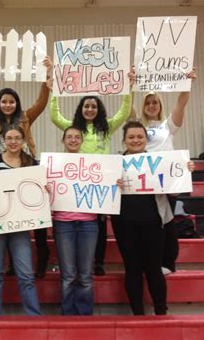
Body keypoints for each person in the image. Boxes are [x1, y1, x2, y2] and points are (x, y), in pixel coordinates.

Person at [0, 59, 53, 278]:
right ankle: (13, 264)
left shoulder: (25, 117)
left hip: (25, 167)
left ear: (16, 103)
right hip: (1, 172)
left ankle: (42, 256)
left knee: (36, 215)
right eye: (4, 101)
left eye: (11, 101)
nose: (8, 105)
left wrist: (47, 78)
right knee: (7, 218)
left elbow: (40, 103)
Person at [49, 72, 134, 276]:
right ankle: (73, 261)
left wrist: (128, 89)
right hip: (75, 182)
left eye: (94, 106)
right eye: (86, 106)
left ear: (99, 110)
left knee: (99, 223)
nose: (90, 109)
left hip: (99, 183)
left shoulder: (107, 128)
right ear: (81, 109)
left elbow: (123, 113)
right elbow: (54, 116)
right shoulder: (73, 128)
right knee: (76, 223)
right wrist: (53, 91)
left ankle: (98, 261)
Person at [112, 121, 194, 315]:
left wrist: (186, 171)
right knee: (132, 268)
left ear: (146, 140)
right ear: (124, 140)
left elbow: (175, 192)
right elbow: (102, 194)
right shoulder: (114, 164)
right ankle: (138, 312)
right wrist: (112, 185)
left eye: (140, 137)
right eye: (131, 137)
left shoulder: (159, 163)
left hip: (153, 222)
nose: (135, 140)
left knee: (153, 268)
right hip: (124, 224)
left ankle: (160, 310)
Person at [130, 69, 197, 274]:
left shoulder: (168, 124)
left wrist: (187, 82)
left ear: (160, 105)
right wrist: (131, 85)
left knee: (166, 224)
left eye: (155, 102)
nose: (151, 106)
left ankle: (168, 263)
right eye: (148, 102)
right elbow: (128, 108)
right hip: (143, 184)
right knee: (147, 227)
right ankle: (149, 262)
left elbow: (181, 102)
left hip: (166, 183)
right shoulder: (137, 125)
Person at [0, 125, 43, 316]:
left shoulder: (31, 163)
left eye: (17, 138)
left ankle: (34, 317)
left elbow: (37, 191)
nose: (13, 141)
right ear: (3, 140)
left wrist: (44, 191)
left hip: (19, 226)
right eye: (9, 138)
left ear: (23, 141)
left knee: (25, 274)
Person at [52, 126, 98, 315]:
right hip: (63, 223)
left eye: (76, 137)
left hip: (89, 223)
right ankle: (68, 316)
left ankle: (85, 318)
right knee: (68, 275)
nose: (73, 140)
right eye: (69, 137)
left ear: (82, 141)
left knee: (86, 275)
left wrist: (114, 184)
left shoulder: (94, 164)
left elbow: (104, 188)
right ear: (63, 140)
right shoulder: (53, 165)